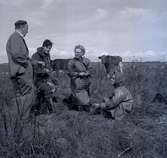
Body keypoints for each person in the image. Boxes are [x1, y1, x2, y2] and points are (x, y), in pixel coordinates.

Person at [6, 20, 35, 139]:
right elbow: (17, 54)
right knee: (28, 97)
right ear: (22, 27)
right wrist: (27, 63)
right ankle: (25, 127)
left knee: (21, 99)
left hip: (18, 73)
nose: (28, 30)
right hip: (21, 74)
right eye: (27, 27)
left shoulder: (15, 38)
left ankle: (19, 128)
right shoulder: (16, 37)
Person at [31, 39, 58, 114]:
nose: (49, 50)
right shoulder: (35, 56)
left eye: (50, 49)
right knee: (47, 89)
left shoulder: (47, 55)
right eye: (48, 48)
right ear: (43, 46)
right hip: (37, 80)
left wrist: (50, 69)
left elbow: (48, 66)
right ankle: (51, 111)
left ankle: (42, 107)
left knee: (55, 85)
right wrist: (44, 71)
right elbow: (35, 70)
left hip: (46, 78)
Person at [67, 44, 92, 111]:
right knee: (81, 104)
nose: (76, 53)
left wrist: (87, 73)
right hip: (77, 83)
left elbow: (90, 70)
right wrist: (78, 74)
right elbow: (70, 72)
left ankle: (82, 103)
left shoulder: (87, 61)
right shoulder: (71, 62)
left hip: (86, 82)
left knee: (86, 101)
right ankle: (78, 104)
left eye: (78, 52)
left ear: (82, 53)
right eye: (75, 52)